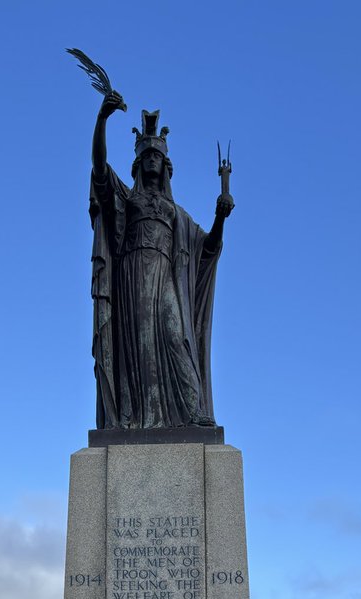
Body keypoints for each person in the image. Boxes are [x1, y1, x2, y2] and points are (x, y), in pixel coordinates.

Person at [89, 90, 234, 429]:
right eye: (148, 154)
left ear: (166, 166)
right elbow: (98, 169)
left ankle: (192, 409)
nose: (153, 158)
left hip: (165, 275)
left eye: (158, 154)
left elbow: (207, 249)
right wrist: (102, 118)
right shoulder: (127, 199)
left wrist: (221, 213)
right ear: (139, 163)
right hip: (133, 273)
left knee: (177, 336)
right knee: (138, 351)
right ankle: (134, 415)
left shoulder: (176, 214)